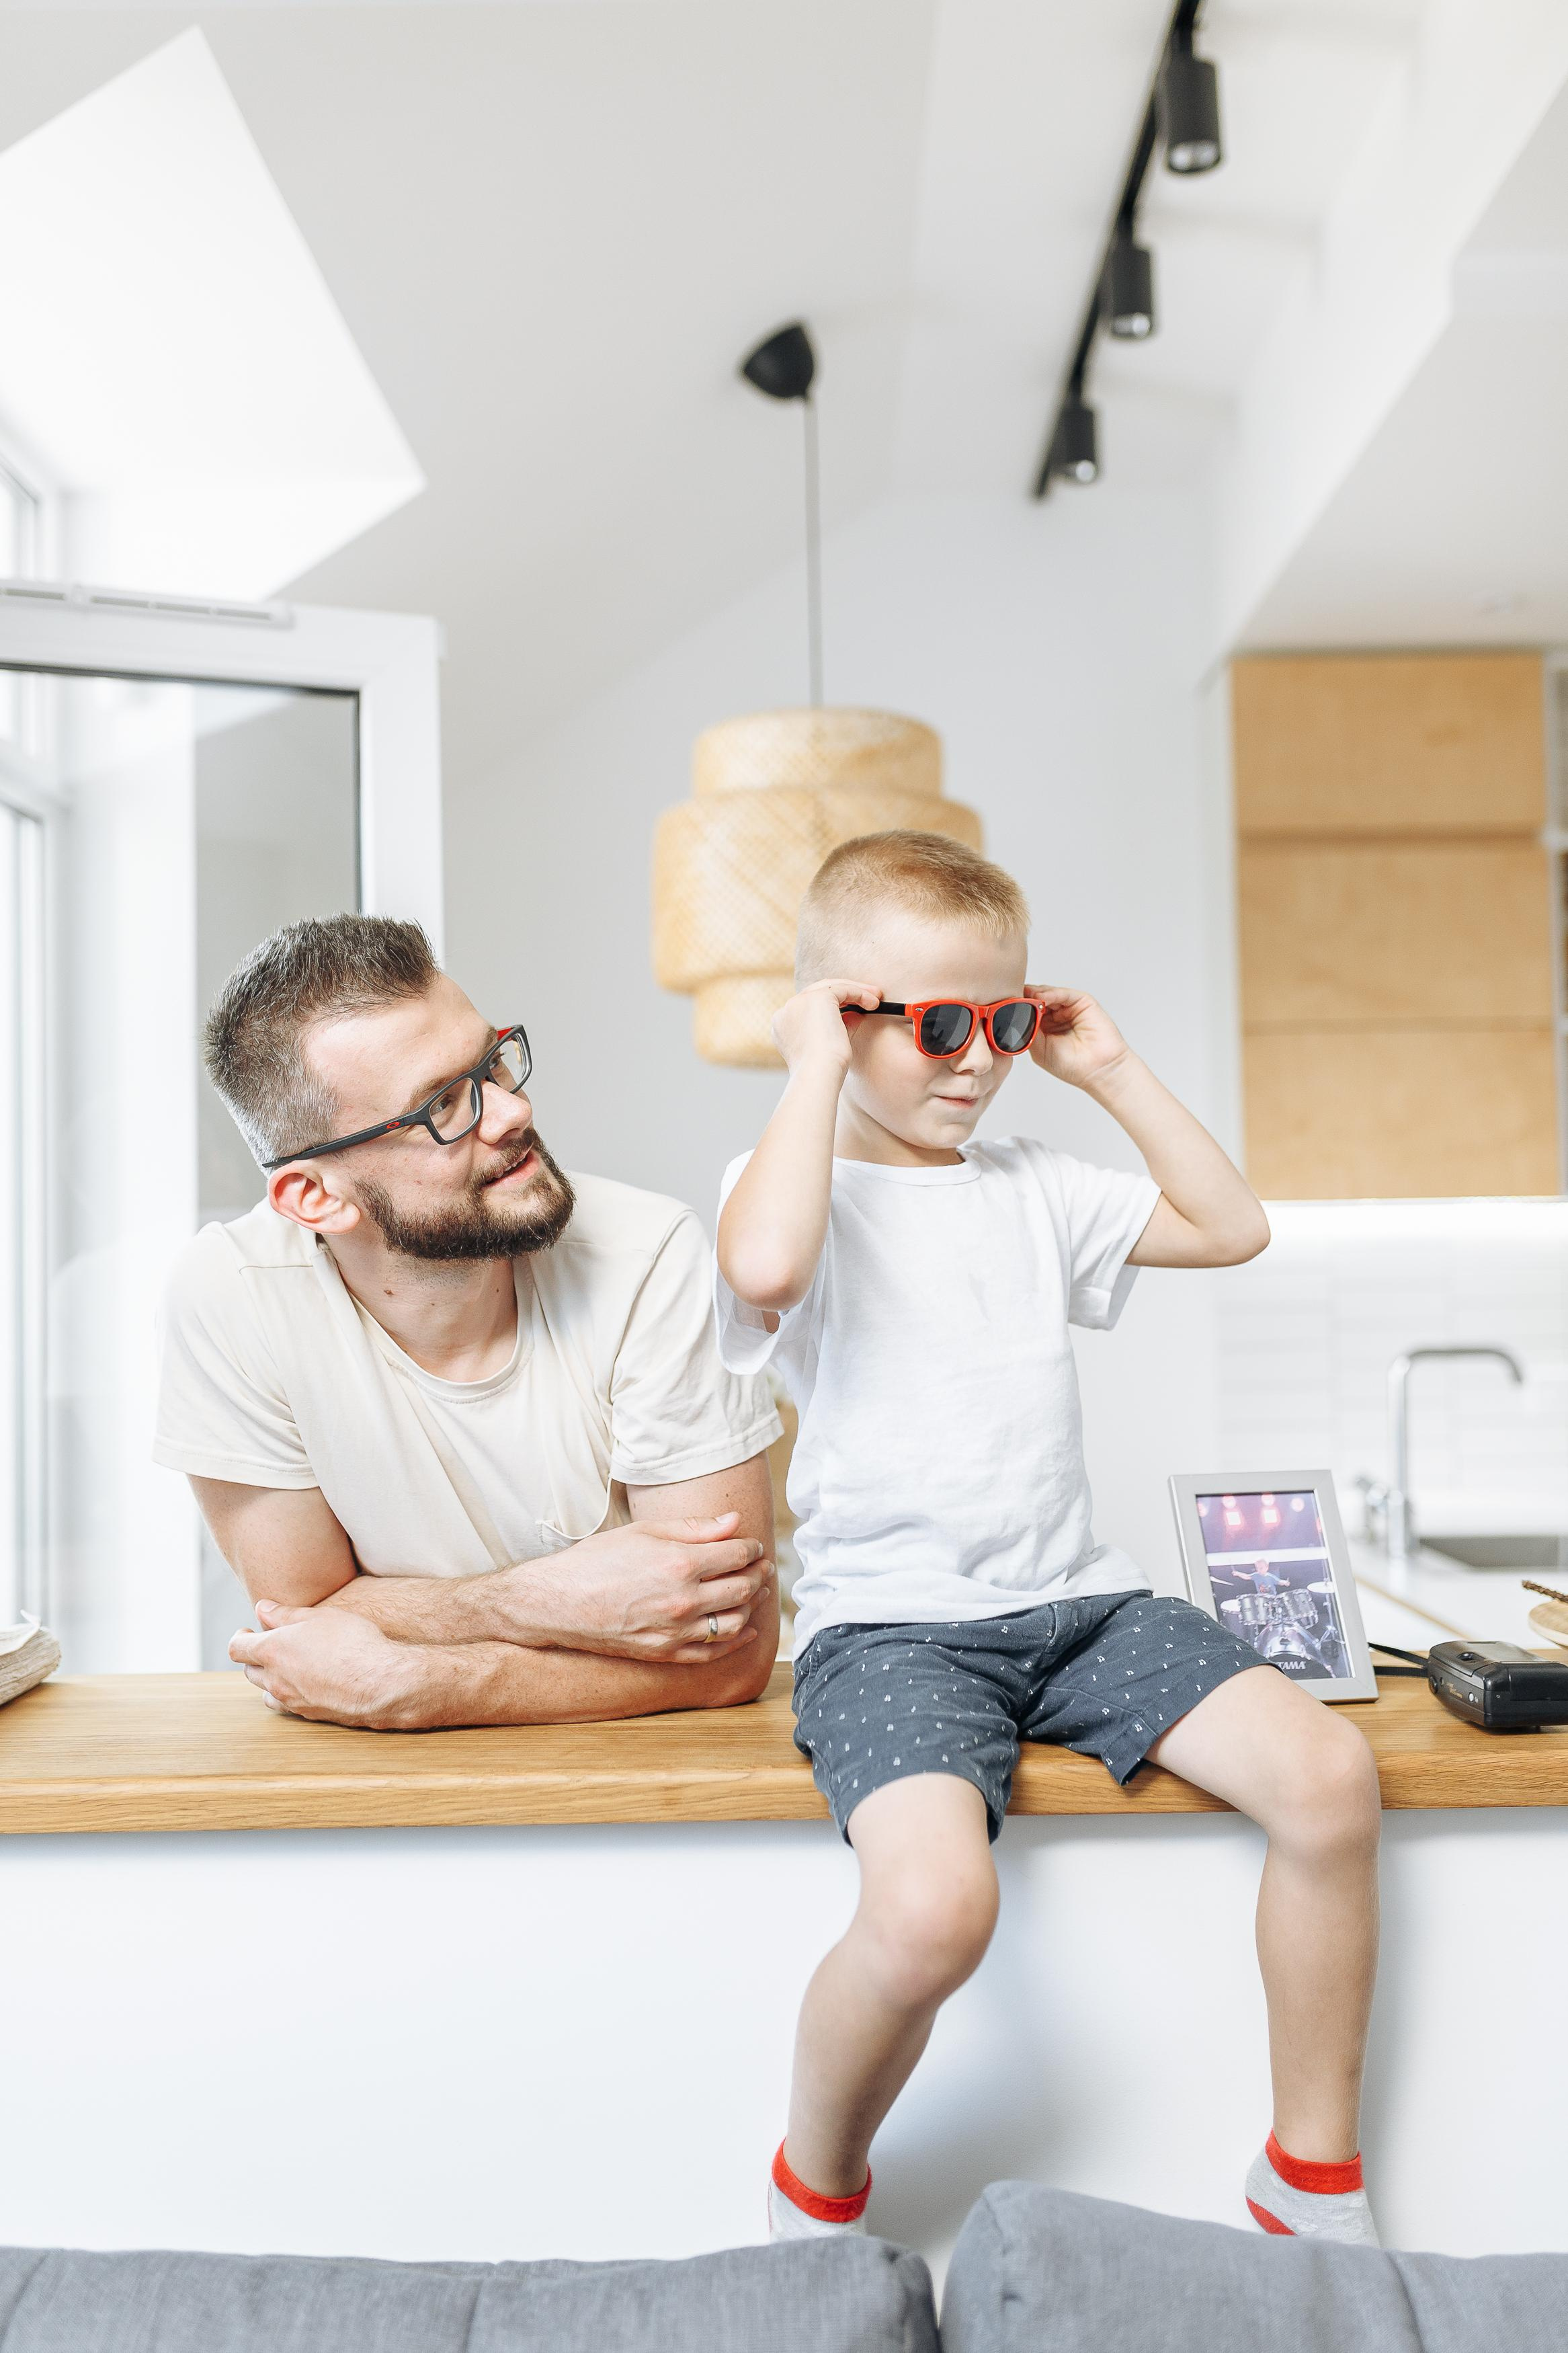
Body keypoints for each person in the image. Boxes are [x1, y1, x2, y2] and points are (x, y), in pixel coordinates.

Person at [714, 831, 1383, 2247]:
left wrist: (1108, 1071)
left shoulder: (1032, 1184)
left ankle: (1306, 2173)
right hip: (890, 1626)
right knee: (933, 1913)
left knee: (1327, 1778)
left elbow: (1230, 1224)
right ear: (837, 1017)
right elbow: (764, 1270)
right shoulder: (788, 1182)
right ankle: (813, 2186)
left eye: (1005, 1022)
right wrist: (809, 1071)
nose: (976, 1060)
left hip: (1079, 1605)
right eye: (937, 1025)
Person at [155, 914, 782, 1729]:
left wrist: (431, 1683)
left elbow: (733, 1652)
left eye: (492, 1062)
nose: (510, 1111)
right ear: (315, 1197)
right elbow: (304, 1615)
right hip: (362, 1797)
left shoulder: (647, 1252)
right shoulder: (230, 1295)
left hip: (648, 1784)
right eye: (442, 1105)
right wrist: (543, 1598)